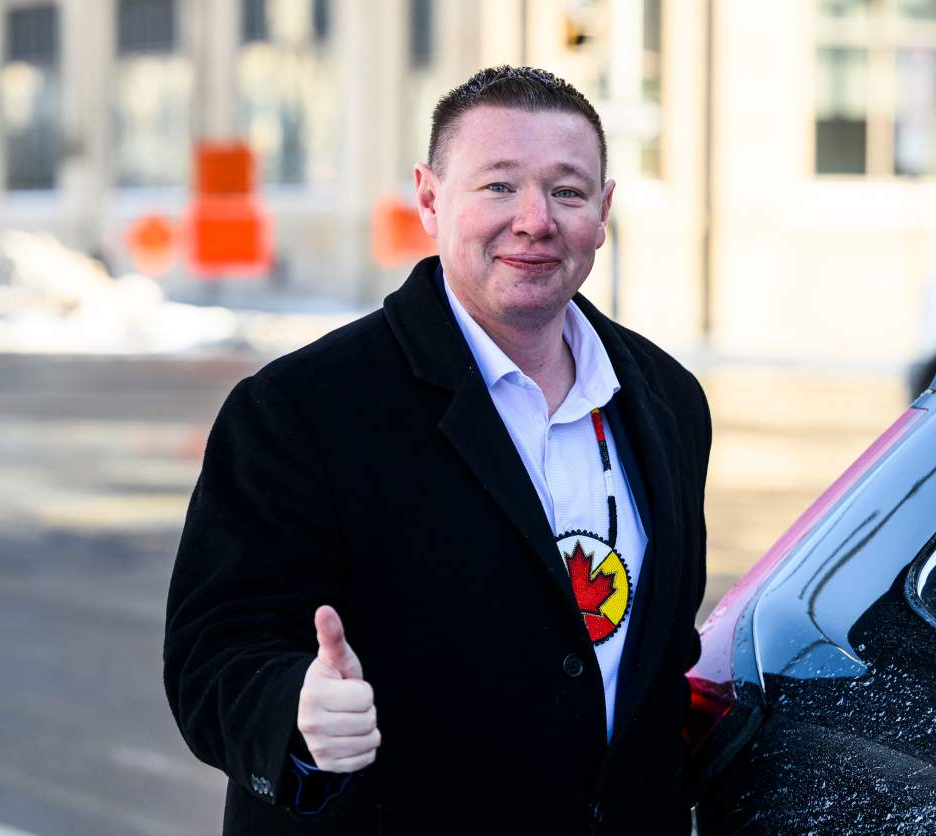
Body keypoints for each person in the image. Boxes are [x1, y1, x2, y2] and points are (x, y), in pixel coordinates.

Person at [163, 65, 711, 835]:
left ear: (603, 210)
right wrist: (297, 712)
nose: (535, 220)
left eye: (567, 191)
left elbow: (660, 662)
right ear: (429, 199)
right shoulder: (300, 409)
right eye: (498, 186)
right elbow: (216, 653)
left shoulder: (667, 400)